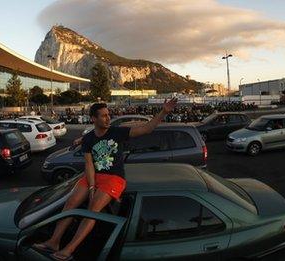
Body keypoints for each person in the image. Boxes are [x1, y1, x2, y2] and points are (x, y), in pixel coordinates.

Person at [33, 98, 177, 261]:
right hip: (94, 176)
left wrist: (163, 112)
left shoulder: (117, 132)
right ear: (93, 119)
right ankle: (54, 241)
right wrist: (91, 187)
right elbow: (89, 165)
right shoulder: (88, 139)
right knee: (70, 204)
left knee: (92, 211)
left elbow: (146, 129)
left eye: (108, 115)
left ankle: (69, 249)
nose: (108, 118)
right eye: (103, 116)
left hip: (113, 178)